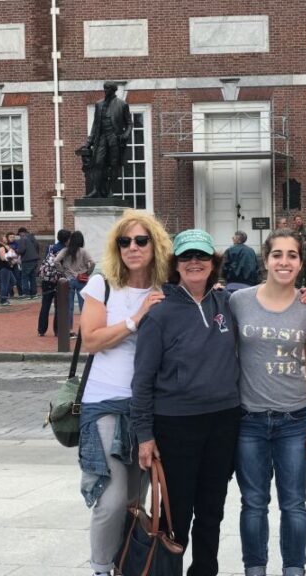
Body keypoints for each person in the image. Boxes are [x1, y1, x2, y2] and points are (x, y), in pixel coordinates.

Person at [131, 229, 242, 576]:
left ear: (214, 262)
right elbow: (142, 379)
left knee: (212, 509)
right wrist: (144, 434)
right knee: (175, 513)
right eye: (186, 257)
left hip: (223, 422)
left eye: (202, 256)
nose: (195, 262)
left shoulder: (227, 302)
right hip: (176, 424)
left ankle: (205, 570)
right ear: (175, 264)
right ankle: (169, 570)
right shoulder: (159, 313)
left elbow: (271, 296)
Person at [77, 210, 171, 576]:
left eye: (141, 240)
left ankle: (125, 566)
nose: (133, 247)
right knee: (113, 498)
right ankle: (101, 568)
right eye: (125, 241)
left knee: (135, 498)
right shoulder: (103, 284)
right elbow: (91, 339)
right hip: (104, 402)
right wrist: (136, 319)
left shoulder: (166, 287)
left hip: (148, 405)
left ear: (155, 245)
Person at [231, 228, 306, 576]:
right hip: (249, 420)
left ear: (300, 263)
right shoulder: (239, 301)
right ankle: (255, 568)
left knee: (294, 504)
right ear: (265, 260)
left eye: (292, 255)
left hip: (294, 419)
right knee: (253, 503)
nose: (284, 262)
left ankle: (294, 568)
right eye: (277, 255)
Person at [86, 80, 133, 198]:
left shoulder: (122, 104)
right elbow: (95, 125)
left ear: (113, 90)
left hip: (114, 138)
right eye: (104, 89)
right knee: (98, 162)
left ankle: (109, 190)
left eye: (107, 89)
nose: (105, 91)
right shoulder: (99, 104)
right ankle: (96, 190)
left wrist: (126, 134)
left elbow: (129, 123)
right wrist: (89, 142)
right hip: (101, 138)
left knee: (113, 164)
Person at [56, 231, 96, 335]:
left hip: (69, 279)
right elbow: (92, 263)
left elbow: (56, 260)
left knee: (69, 307)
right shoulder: (83, 251)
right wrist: (87, 273)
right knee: (84, 306)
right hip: (81, 280)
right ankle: (84, 329)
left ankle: (69, 329)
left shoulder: (66, 250)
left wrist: (63, 271)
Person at [37, 228, 71, 336]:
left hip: (47, 278)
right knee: (59, 306)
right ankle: (57, 330)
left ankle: (41, 330)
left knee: (45, 305)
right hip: (60, 280)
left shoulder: (50, 247)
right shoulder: (67, 250)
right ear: (67, 239)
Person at [16, 226, 40, 298]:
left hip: (27, 260)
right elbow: (37, 247)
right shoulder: (33, 238)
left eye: (19, 234)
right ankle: (34, 293)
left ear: (22, 233)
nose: (19, 236)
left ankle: (26, 294)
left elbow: (21, 250)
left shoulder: (23, 239)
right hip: (34, 259)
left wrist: (16, 251)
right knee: (32, 277)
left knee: (25, 277)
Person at [292, 214, 306, 288]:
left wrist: (304, 243)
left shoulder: (305, 229)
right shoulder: (295, 230)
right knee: (304, 266)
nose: (299, 221)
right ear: (294, 221)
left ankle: (299, 284)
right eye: (297, 219)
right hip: (299, 250)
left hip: (305, 251)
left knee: (301, 266)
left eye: (300, 219)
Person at [0, 233, 17, 306]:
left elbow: (12, 254)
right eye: (5, 237)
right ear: (1, 238)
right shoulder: (1, 247)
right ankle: (3, 300)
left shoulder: (4, 246)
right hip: (3, 267)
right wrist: (10, 257)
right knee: (5, 284)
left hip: (6, 267)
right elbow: (2, 258)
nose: (6, 238)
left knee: (13, 281)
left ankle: (4, 296)